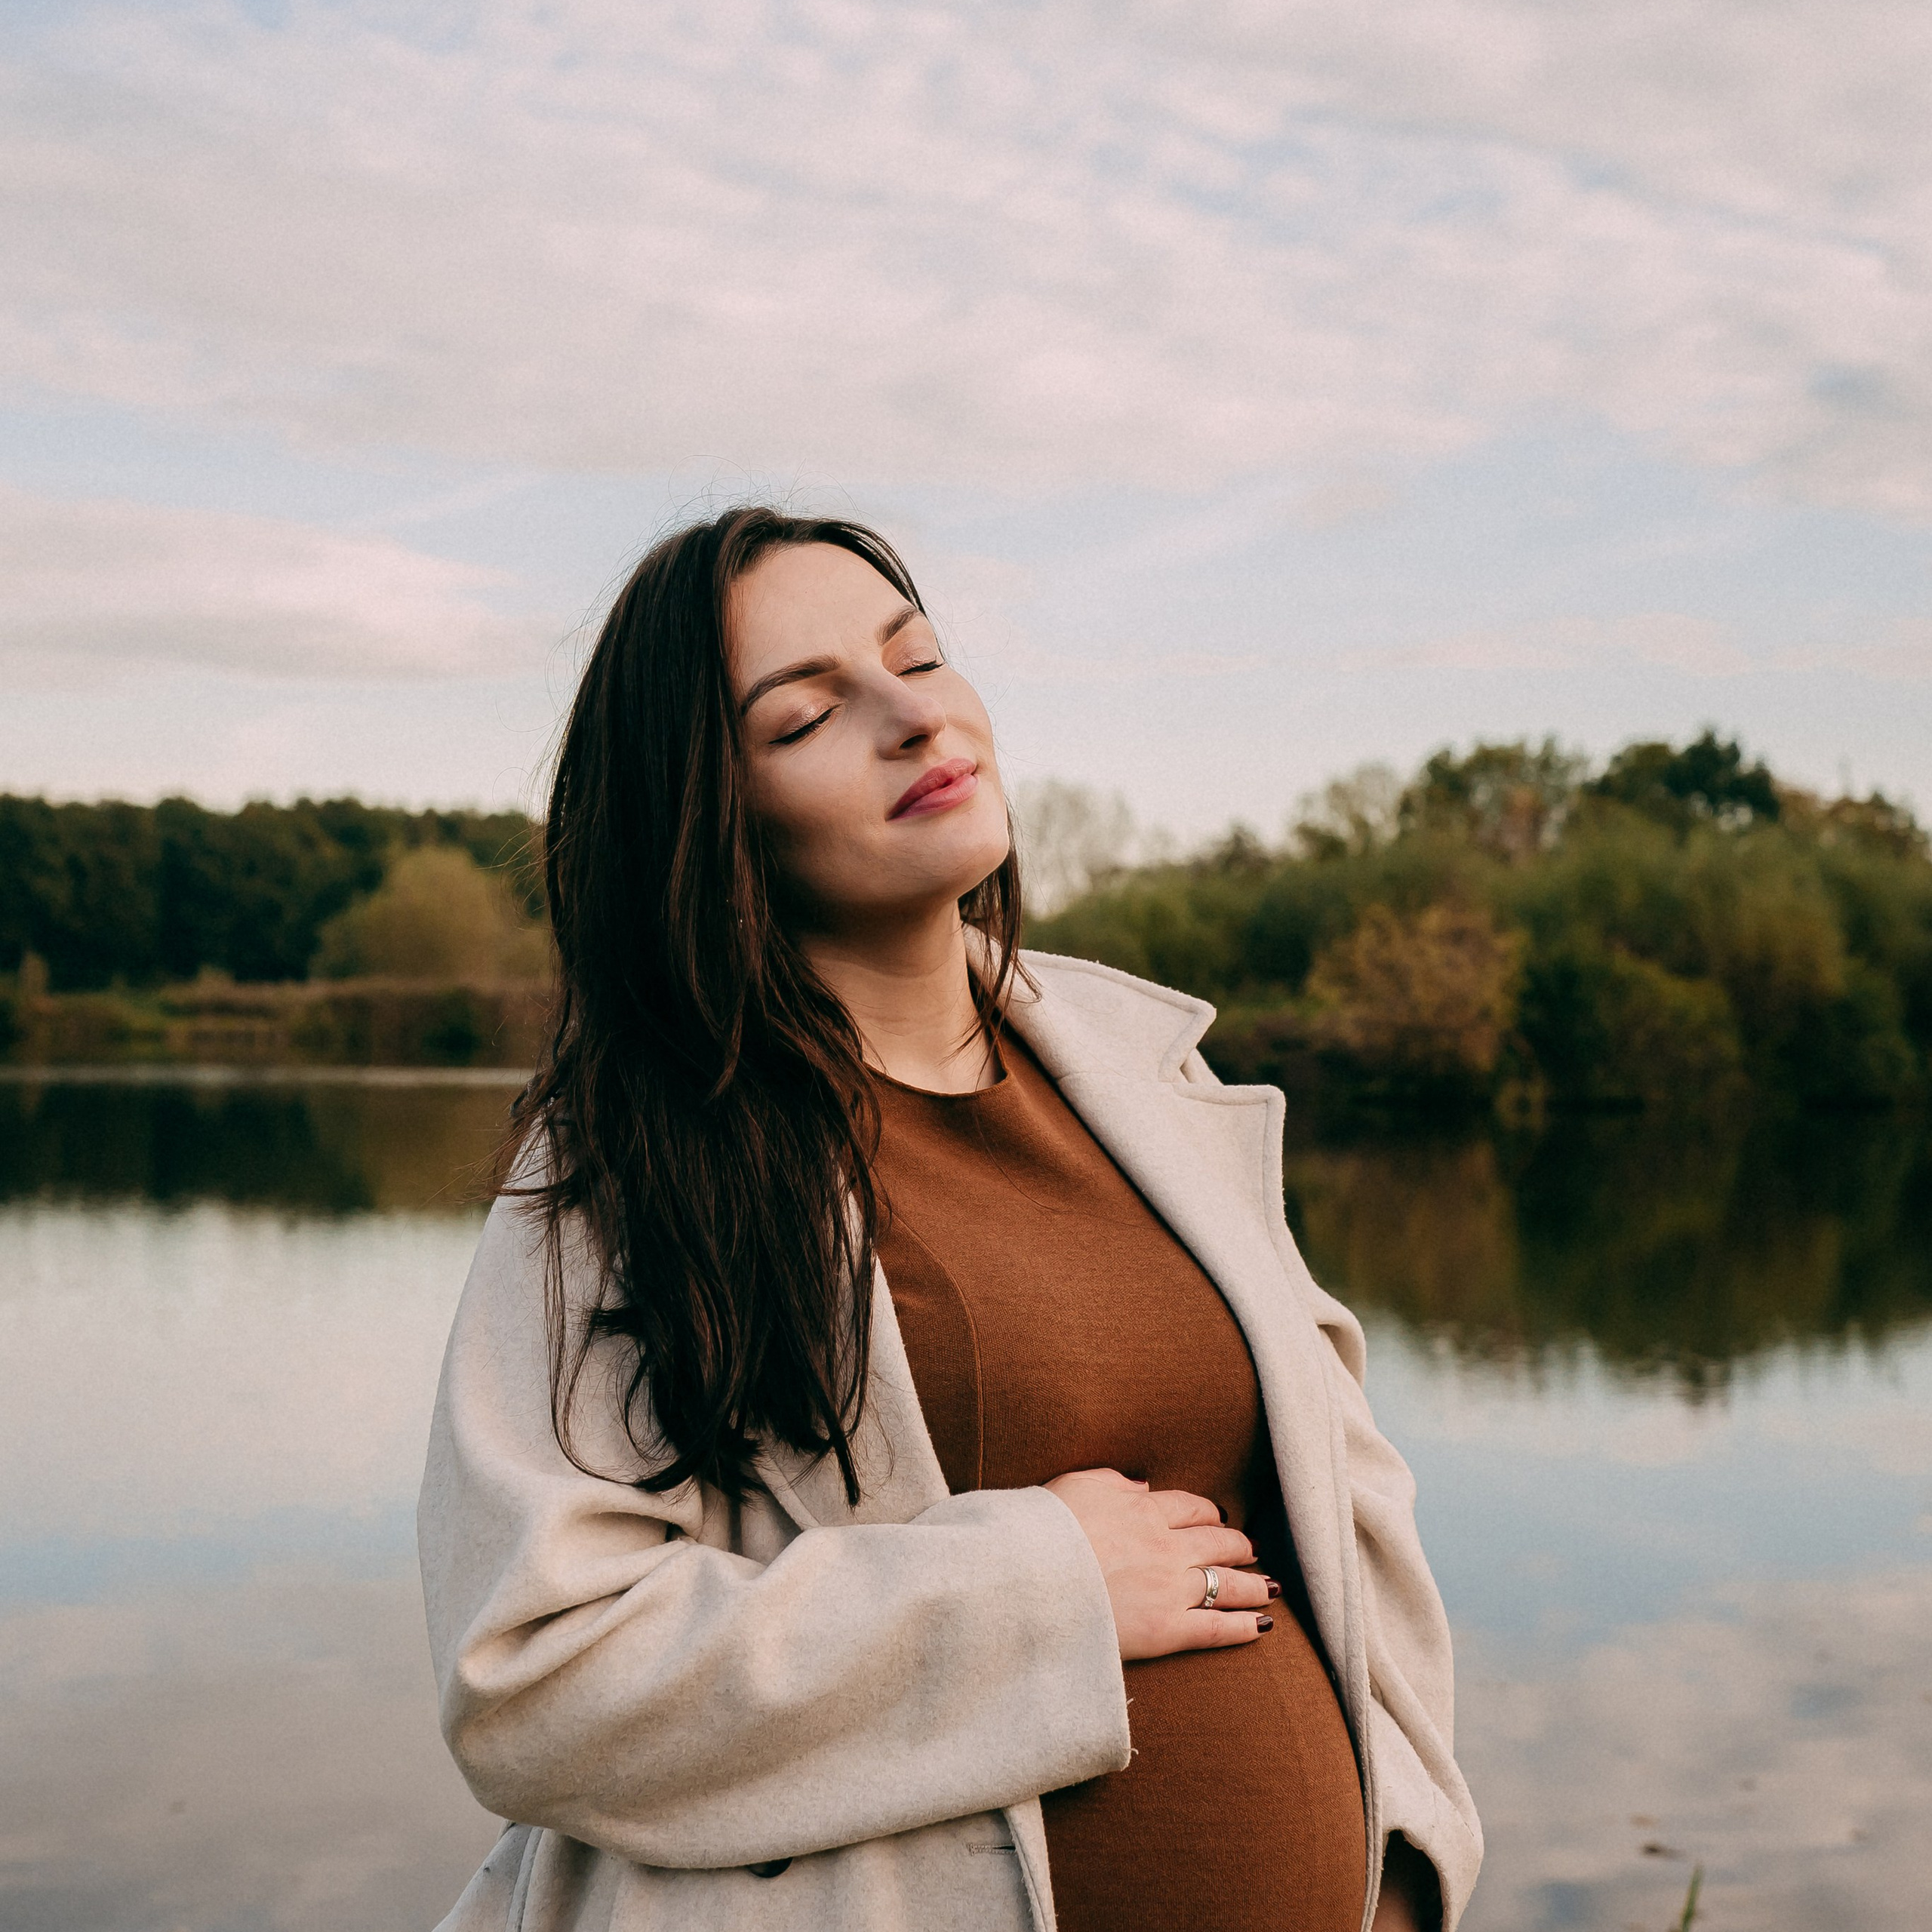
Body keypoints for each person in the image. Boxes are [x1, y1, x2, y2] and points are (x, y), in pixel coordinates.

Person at [417, 507, 1481, 1932]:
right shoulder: (630, 1161)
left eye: (917, 657)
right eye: (806, 717)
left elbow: (1349, 1509)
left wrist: (1406, 1856)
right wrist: (1043, 1592)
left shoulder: (1150, 1078)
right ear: (706, 817)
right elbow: (536, 1682)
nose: (912, 718)